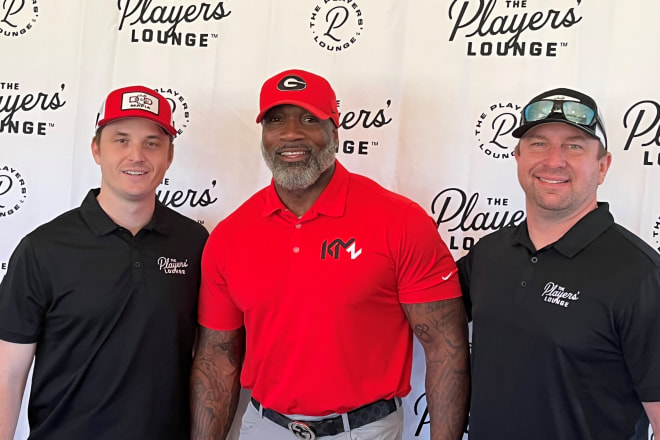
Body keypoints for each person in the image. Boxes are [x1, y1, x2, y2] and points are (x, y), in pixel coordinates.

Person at [190, 69, 470, 440]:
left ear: (334, 132)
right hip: (263, 428)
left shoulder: (400, 221)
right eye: (276, 121)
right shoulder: (230, 235)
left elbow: (445, 349)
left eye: (309, 119)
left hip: (365, 431)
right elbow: (217, 358)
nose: (290, 133)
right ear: (263, 136)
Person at [0, 85, 209, 440]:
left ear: (169, 156)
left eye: (152, 143)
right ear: (96, 150)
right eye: (121, 140)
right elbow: (7, 373)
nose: (137, 155)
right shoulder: (44, 248)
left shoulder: (195, 243)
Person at [457, 87, 660, 439]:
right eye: (538, 143)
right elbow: (419, 314)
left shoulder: (641, 276)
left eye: (574, 145)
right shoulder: (489, 253)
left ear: (603, 165)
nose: (554, 160)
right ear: (517, 157)